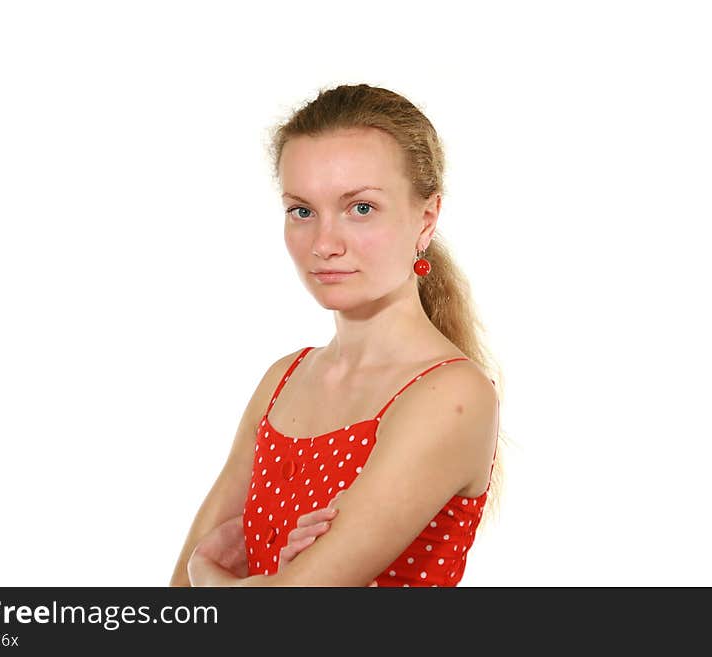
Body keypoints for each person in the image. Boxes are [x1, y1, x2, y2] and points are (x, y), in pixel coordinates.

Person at [169, 83, 505, 587]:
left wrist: (206, 572)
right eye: (302, 211)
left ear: (426, 217)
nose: (324, 243)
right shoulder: (283, 379)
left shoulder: (451, 395)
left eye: (361, 208)